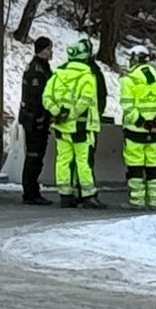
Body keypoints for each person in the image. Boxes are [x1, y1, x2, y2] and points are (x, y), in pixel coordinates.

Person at [43, 37, 103, 208]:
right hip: (82, 126)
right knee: (83, 161)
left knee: (63, 160)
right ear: (85, 57)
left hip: (61, 126)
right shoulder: (87, 76)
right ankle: (88, 195)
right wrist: (72, 114)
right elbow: (85, 100)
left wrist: (57, 112)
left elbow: (46, 97)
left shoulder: (58, 75)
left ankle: (65, 194)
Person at [119, 48, 156, 209]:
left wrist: (143, 122)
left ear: (134, 59)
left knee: (135, 168)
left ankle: (137, 201)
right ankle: (155, 202)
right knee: (153, 167)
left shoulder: (129, 81)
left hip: (134, 132)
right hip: (154, 133)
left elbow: (127, 107)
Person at [17, 36, 55, 205]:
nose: (50, 52)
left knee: (37, 156)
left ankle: (32, 190)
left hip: (38, 118)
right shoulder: (36, 71)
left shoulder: (43, 68)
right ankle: (30, 192)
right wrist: (39, 118)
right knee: (34, 156)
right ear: (41, 50)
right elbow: (35, 97)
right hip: (34, 119)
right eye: (48, 49)